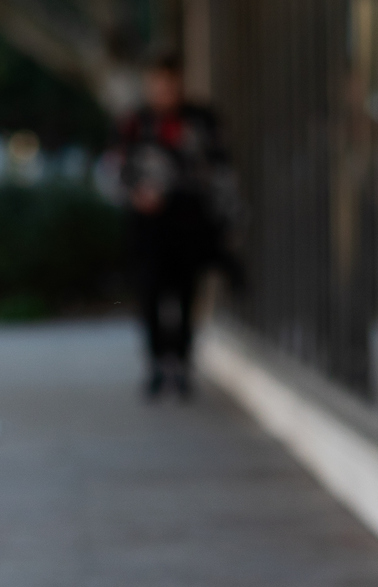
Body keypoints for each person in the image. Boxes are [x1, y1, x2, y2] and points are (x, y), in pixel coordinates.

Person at [111, 55, 230, 399]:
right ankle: (155, 365)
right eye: (158, 85)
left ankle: (182, 364)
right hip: (147, 229)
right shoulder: (133, 123)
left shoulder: (201, 120)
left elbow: (222, 171)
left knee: (186, 296)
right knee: (150, 296)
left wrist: (227, 222)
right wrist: (137, 194)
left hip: (190, 225)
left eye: (171, 84)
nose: (165, 92)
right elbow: (113, 168)